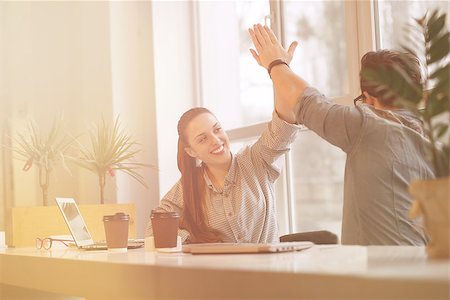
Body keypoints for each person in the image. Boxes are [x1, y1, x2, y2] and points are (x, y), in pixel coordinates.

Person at [248, 24, 435, 245]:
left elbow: (308, 103)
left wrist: (276, 64)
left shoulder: (372, 127)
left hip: (386, 276)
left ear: (369, 99)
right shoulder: (430, 145)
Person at [146, 106, 300, 244]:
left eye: (217, 129)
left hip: (269, 272)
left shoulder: (255, 160)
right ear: (191, 151)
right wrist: (191, 240)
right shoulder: (189, 185)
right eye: (203, 139)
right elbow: (155, 229)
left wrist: (278, 75)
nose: (215, 140)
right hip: (221, 274)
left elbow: (282, 129)